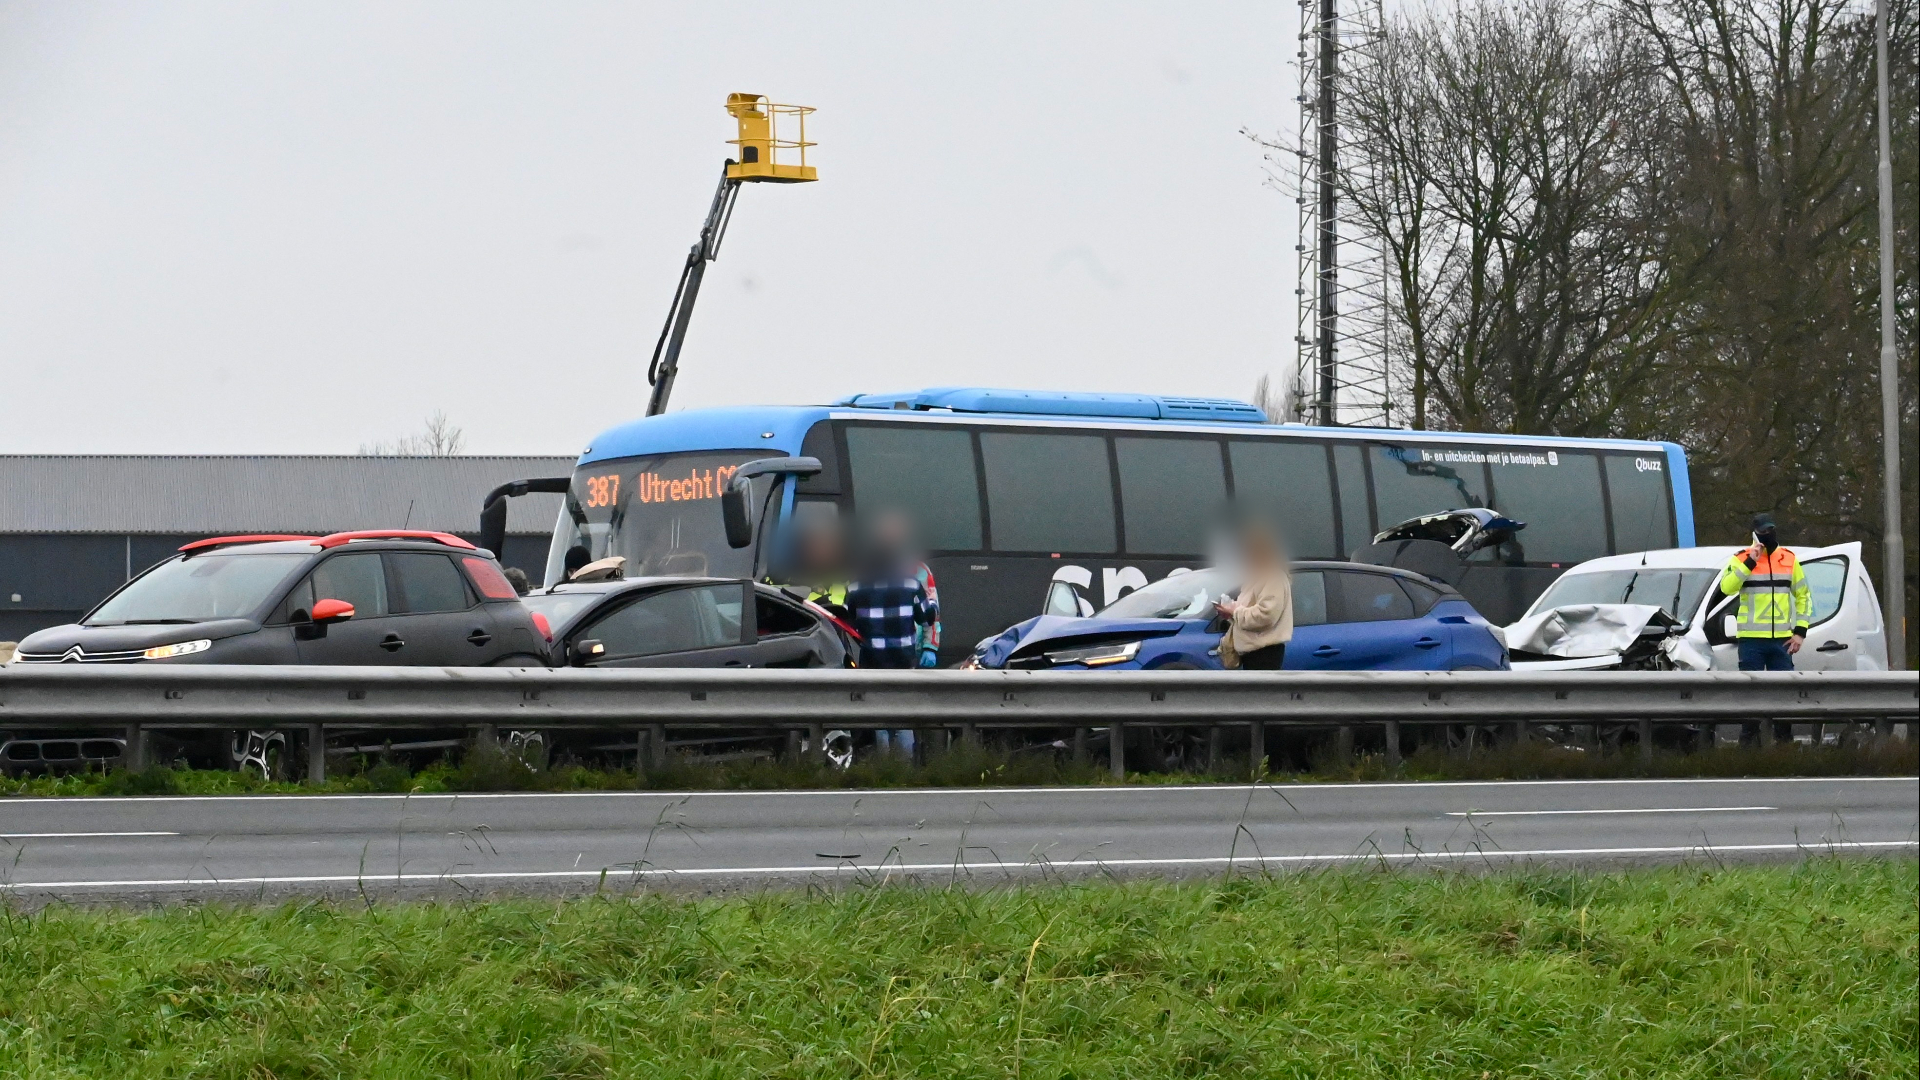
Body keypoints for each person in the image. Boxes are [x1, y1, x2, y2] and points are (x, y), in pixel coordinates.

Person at [1718, 512, 1812, 671]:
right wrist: (1749, 563)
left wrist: (1800, 632)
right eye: (1763, 532)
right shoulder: (1741, 558)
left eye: (1770, 530)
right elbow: (1726, 588)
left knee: (1783, 685)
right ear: (1754, 534)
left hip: (1782, 640)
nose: (1767, 534)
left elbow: (1804, 596)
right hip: (1751, 640)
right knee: (1752, 686)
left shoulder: (1789, 559)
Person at [1214, 521, 1294, 670]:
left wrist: (1235, 612)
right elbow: (1248, 611)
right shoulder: (1256, 577)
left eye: (1247, 550)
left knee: (1262, 686)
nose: (1244, 556)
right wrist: (1230, 613)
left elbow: (1266, 615)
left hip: (1264, 652)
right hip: (1252, 651)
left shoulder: (1273, 577)